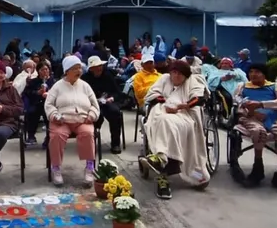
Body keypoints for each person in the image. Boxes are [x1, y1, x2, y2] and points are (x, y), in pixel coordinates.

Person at [140, 59, 210, 199]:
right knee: (163, 119)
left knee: (165, 122)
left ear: (185, 75)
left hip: (184, 115)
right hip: (162, 111)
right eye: (174, 73)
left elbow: (198, 98)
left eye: (180, 74)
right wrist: (165, 103)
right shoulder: (164, 79)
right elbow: (152, 94)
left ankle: (160, 158)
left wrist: (179, 106)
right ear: (170, 73)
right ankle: (162, 163)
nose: (176, 76)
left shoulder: (192, 81)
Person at [231, 63, 277, 197]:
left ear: (264, 74)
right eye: (251, 71)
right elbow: (236, 102)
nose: (253, 74)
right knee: (258, 131)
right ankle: (258, 167)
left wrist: (262, 104)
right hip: (250, 120)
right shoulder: (243, 87)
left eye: (257, 72)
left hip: (272, 121)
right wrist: (252, 112)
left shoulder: (275, 87)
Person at [45, 55, 99, 187]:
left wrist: (91, 115)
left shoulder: (85, 86)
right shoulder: (57, 86)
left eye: (80, 68)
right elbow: (49, 105)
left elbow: (95, 105)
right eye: (75, 68)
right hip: (62, 121)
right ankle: (56, 168)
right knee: (57, 135)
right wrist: (54, 115)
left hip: (82, 120)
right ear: (66, 71)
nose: (78, 71)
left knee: (87, 134)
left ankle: (89, 167)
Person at [81, 56, 123, 154]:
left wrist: (112, 98)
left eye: (100, 66)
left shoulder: (108, 76)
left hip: (107, 102)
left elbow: (117, 92)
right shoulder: (85, 79)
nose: (99, 68)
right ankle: (91, 142)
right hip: (91, 104)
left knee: (115, 113)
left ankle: (115, 144)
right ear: (91, 69)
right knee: (96, 117)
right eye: (96, 66)